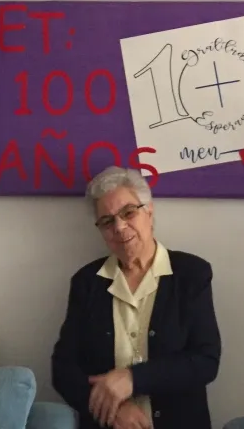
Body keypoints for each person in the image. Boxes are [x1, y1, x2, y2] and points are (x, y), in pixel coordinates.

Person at [51, 166, 221, 429]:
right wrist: (112, 410)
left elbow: (205, 361)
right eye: (107, 221)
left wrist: (133, 378)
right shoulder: (87, 282)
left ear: (149, 212)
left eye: (128, 212)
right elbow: (63, 369)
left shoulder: (191, 274)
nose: (119, 227)